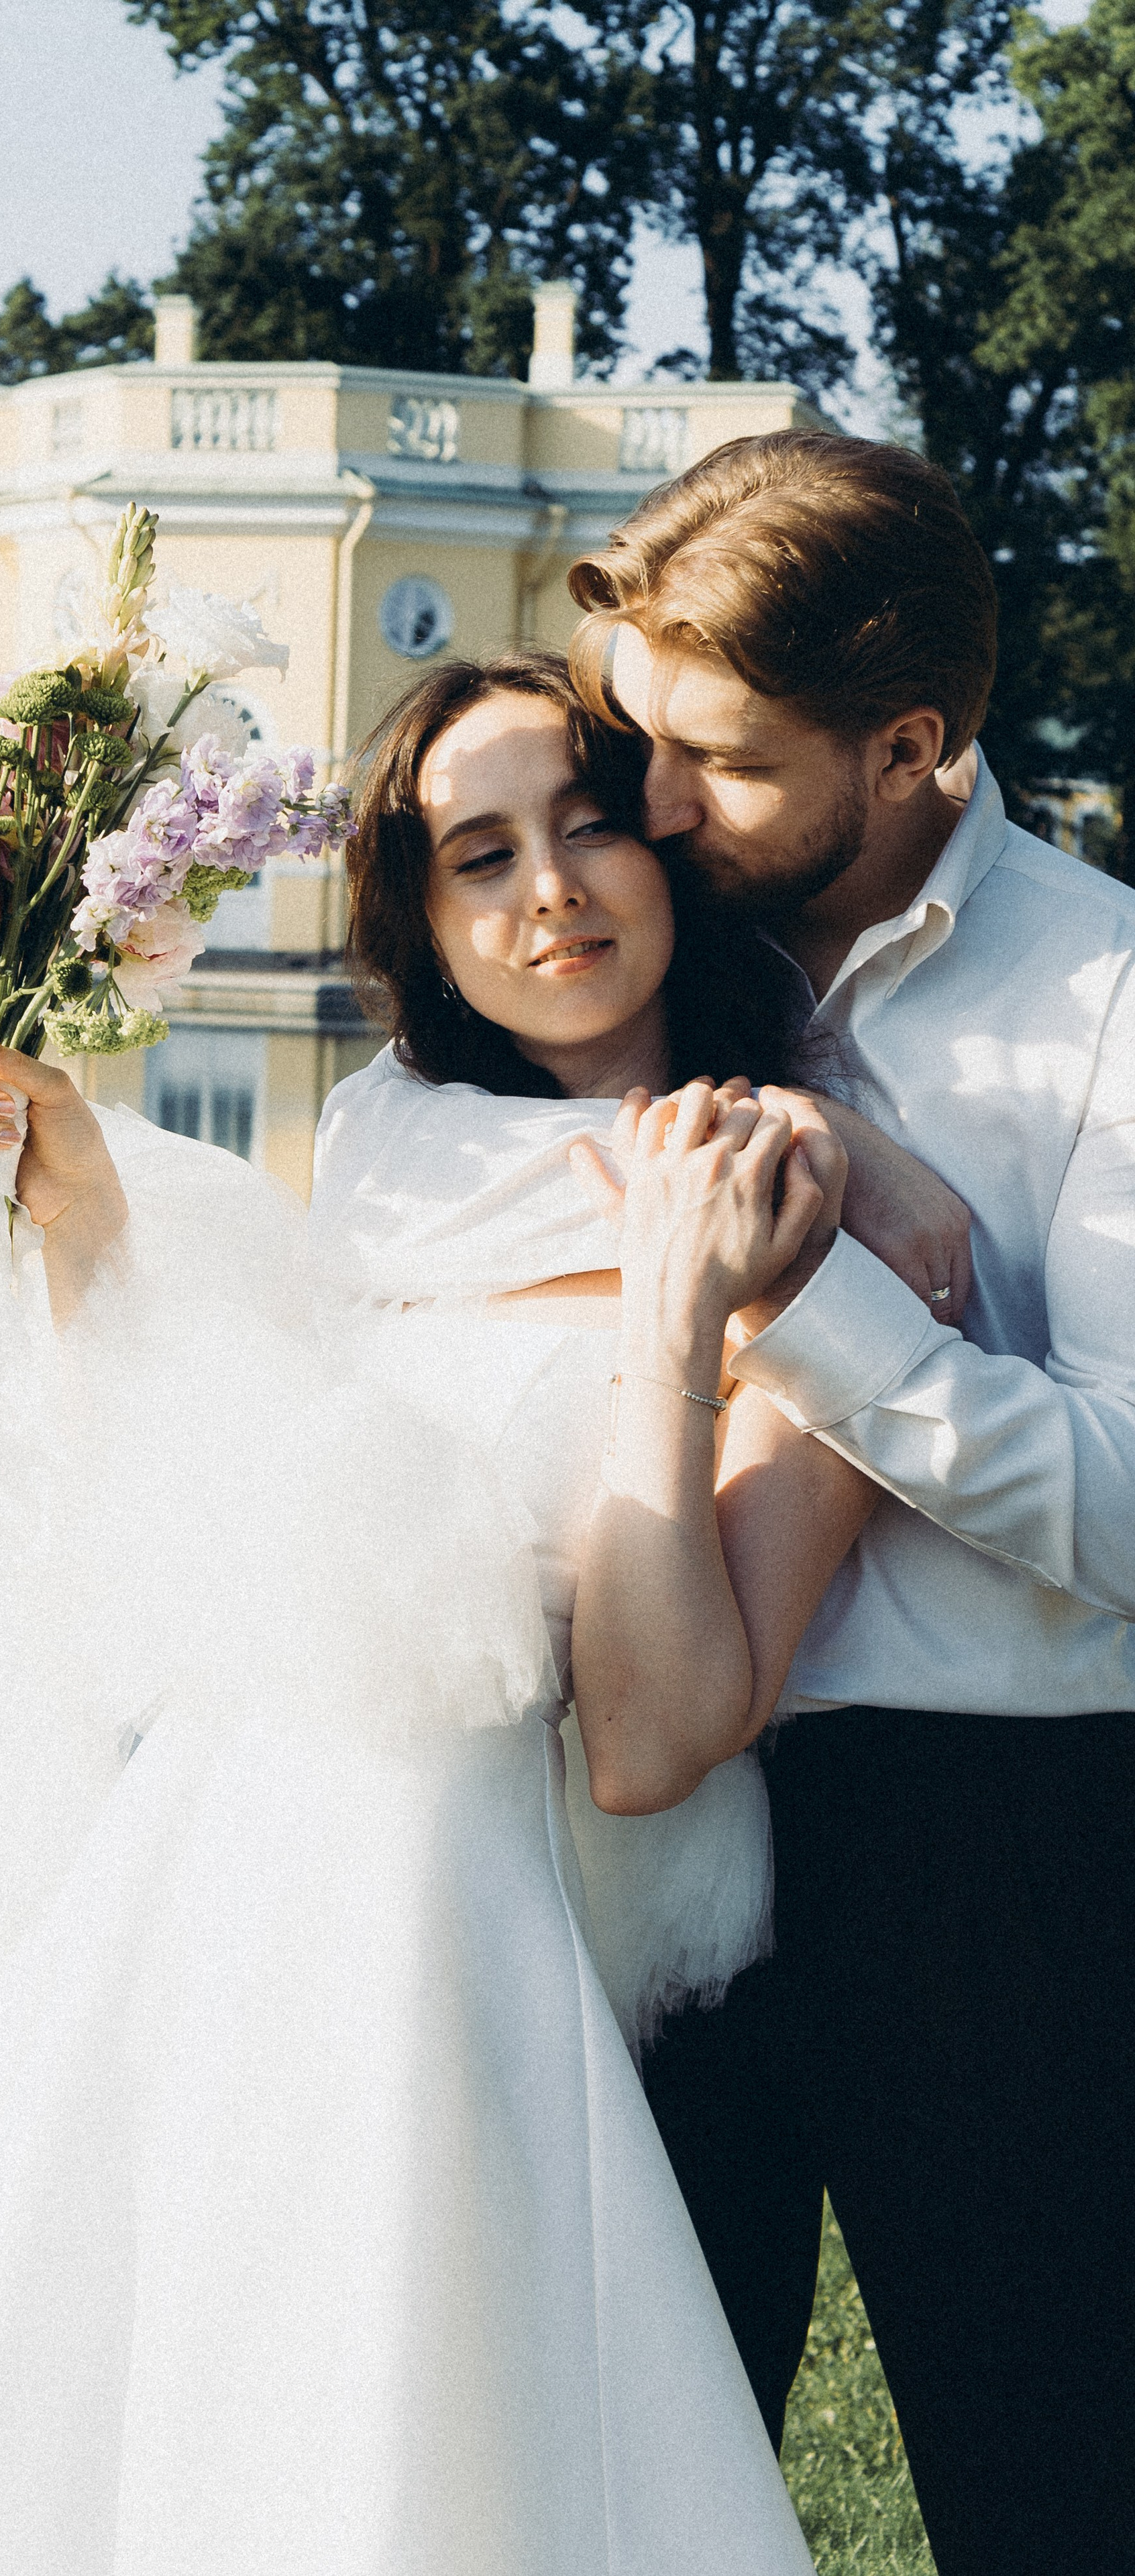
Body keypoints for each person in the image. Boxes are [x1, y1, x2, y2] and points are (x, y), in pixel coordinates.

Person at [0, 653, 939, 2575]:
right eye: (480, 853)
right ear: (425, 924)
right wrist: (76, 1207)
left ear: (670, 843)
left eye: (593, 817)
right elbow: (206, 1520)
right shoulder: (388, 1158)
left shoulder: (799, 1195)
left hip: (478, 1919)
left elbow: (663, 1733)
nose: (552, 890)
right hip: (224, 1873)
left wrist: (676, 1322)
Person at [564, 429, 1135, 2576]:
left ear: (913, 745)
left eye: (717, 760)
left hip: (999, 1865)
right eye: (645, 741)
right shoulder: (628, 943)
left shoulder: (1113, 1004)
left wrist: (814, 1313)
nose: (658, 811)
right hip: (628, 1850)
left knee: (1051, 2494)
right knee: (608, 2489)